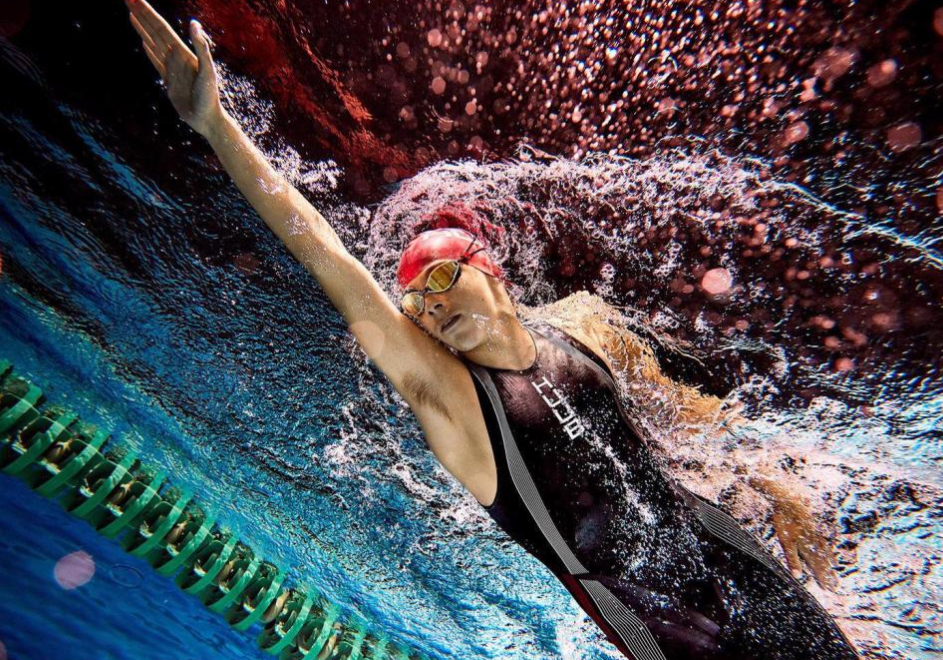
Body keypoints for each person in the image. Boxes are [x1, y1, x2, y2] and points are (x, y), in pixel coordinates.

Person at [122, 2, 859, 658]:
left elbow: (671, 413)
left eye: (440, 280)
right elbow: (328, 259)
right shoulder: (457, 404)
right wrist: (216, 126)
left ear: (490, 269)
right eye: (415, 304)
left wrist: (764, 481)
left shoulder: (580, 323)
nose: (428, 307)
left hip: (722, 545)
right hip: (655, 621)